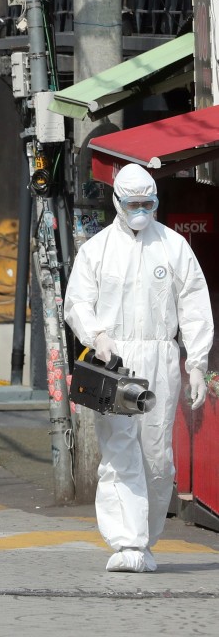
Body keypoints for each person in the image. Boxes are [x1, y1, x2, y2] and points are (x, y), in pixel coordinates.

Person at [64, 163, 213, 573]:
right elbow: (77, 302)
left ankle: (146, 540)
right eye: (134, 204)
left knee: (156, 455)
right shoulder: (96, 250)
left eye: (148, 203)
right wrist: (97, 336)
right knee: (118, 451)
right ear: (117, 202)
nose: (141, 210)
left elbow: (195, 306)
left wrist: (196, 364)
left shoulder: (174, 246)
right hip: (115, 362)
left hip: (161, 358)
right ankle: (126, 542)